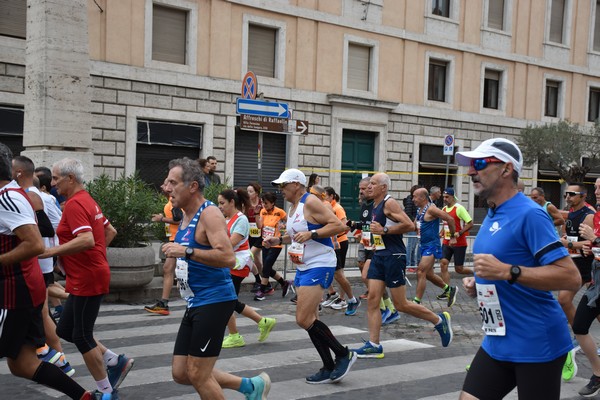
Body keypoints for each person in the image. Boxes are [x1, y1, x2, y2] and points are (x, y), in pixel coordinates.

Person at [457, 138, 580, 400]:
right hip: (497, 340)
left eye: (479, 163)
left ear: (506, 169)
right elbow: (507, 263)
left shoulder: (530, 214)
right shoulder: (493, 213)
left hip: (536, 342)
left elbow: (571, 277)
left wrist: (507, 272)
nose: (470, 171)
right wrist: (480, 283)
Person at [161, 157, 270, 399]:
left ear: (192, 187)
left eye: (172, 182)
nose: (165, 187)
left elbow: (228, 257)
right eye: (166, 181)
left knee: (198, 374)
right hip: (195, 301)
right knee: (181, 372)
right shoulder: (185, 215)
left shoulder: (209, 213)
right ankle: (250, 386)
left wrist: (186, 251)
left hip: (214, 301)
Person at [0, 144, 100, 400]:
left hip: (15, 289)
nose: (54, 183)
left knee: (71, 336)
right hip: (25, 284)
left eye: (57, 178)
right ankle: (85, 397)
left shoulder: (8, 197)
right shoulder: (15, 194)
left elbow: (35, 242)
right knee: (22, 364)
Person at [41, 158, 134, 398]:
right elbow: (109, 231)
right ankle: (115, 361)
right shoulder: (88, 201)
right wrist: (94, 259)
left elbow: (86, 239)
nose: (52, 183)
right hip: (88, 274)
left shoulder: (74, 205)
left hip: (87, 278)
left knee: (82, 336)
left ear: (70, 179)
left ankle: (106, 391)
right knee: (66, 329)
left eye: (55, 178)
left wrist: (52, 252)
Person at [264, 168, 356, 384]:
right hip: (304, 265)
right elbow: (298, 236)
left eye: (283, 185)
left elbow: (338, 225)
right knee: (311, 320)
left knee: (303, 319)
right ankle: (328, 365)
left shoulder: (311, 202)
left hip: (320, 263)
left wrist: (313, 234)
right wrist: (279, 241)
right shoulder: (294, 206)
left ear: (296, 184)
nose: (281, 190)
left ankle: (343, 354)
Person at [352, 173, 453, 359]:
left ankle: (439, 320)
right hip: (379, 254)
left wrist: (384, 230)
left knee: (401, 304)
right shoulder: (374, 205)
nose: (369, 187)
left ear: (383, 187)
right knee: (373, 299)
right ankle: (374, 344)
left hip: (394, 255)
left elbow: (409, 225)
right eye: (369, 184)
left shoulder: (389, 203)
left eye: (373, 184)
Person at [12, 156, 75, 376]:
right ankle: (54, 356)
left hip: (39, 259)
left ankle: (54, 355)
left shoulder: (33, 197)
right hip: (39, 259)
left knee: (41, 309)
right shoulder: (25, 196)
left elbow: (50, 229)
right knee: (42, 309)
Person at [217, 188, 276, 348]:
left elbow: (230, 243)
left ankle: (235, 335)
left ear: (232, 202)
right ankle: (262, 322)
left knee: (227, 300)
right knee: (229, 300)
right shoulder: (227, 218)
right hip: (230, 263)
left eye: (222, 203)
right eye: (218, 203)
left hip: (238, 264)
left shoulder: (240, 219)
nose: (220, 206)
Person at [412, 187, 458, 306]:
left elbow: (450, 219)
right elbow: (414, 225)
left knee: (421, 271)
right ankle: (449, 290)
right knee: (429, 274)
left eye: (415, 197)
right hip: (423, 244)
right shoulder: (419, 209)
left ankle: (416, 301)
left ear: (423, 198)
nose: (412, 199)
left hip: (432, 245)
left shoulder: (432, 209)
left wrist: (452, 236)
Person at [575, 177, 600, 397]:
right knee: (580, 325)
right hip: (597, 285)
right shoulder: (598, 215)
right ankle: (598, 374)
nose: (597, 191)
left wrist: (595, 241)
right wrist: (589, 248)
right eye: (596, 188)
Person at [145, 183, 183, 315]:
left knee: (170, 269)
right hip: (175, 239)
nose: (161, 186)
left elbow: (179, 220)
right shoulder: (171, 200)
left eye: (165, 184)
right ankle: (164, 303)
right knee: (168, 269)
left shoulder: (174, 200)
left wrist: (162, 219)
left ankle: (165, 303)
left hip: (180, 240)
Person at [323, 186, 360, 315]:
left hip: (340, 242)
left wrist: (333, 233)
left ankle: (344, 298)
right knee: (333, 272)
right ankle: (334, 294)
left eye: (325, 196)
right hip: (331, 242)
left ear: (332, 197)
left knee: (339, 273)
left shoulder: (337, 208)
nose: (323, 199)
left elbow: (345, 226)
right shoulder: (325, 207)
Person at [255, 191, 293, 301]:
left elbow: (289, 223)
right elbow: (259, 226)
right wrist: (257, 214)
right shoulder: (262, 211)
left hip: (276, 244)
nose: (264, 205)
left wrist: (284, 228)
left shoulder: (280, 212)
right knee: (266, 267)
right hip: (265, 242)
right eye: (263, 203)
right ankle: (284, 283)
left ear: (272, 203)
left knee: (266, 267)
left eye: (266, 203)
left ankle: (262, 290)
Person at [438, 187, 474, 292]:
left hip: (459, 243)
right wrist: (441, 233)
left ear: (452, 197)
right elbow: (445, 224)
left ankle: (476, 272)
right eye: (443, 197)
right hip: (446, 242)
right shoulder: (444, 209)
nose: (444, 199)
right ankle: (447, 291)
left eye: (447, 197)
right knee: (443, 264)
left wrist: (460, 232)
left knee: (459, 269)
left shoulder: (459, 208)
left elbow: (470, 223)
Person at [247, 182, 264, 292]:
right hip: (249, 233)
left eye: (251, 191)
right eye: (247, 191)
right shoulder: (246, 203)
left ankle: (259, 280)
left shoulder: (262, 203)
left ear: (257, 193)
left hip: (260, 233)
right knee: (257, 260)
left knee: (249, 256)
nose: (248, 193)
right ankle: (264, 283)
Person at [403, 185, 421, 270]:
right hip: (412, 225)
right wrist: (415, 221)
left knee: (414, 245)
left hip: (416, 225)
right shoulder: (410, 200)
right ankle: (408, 264)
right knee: (411, 245)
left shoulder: (414, 200)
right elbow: (408, 213)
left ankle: (413, 265)